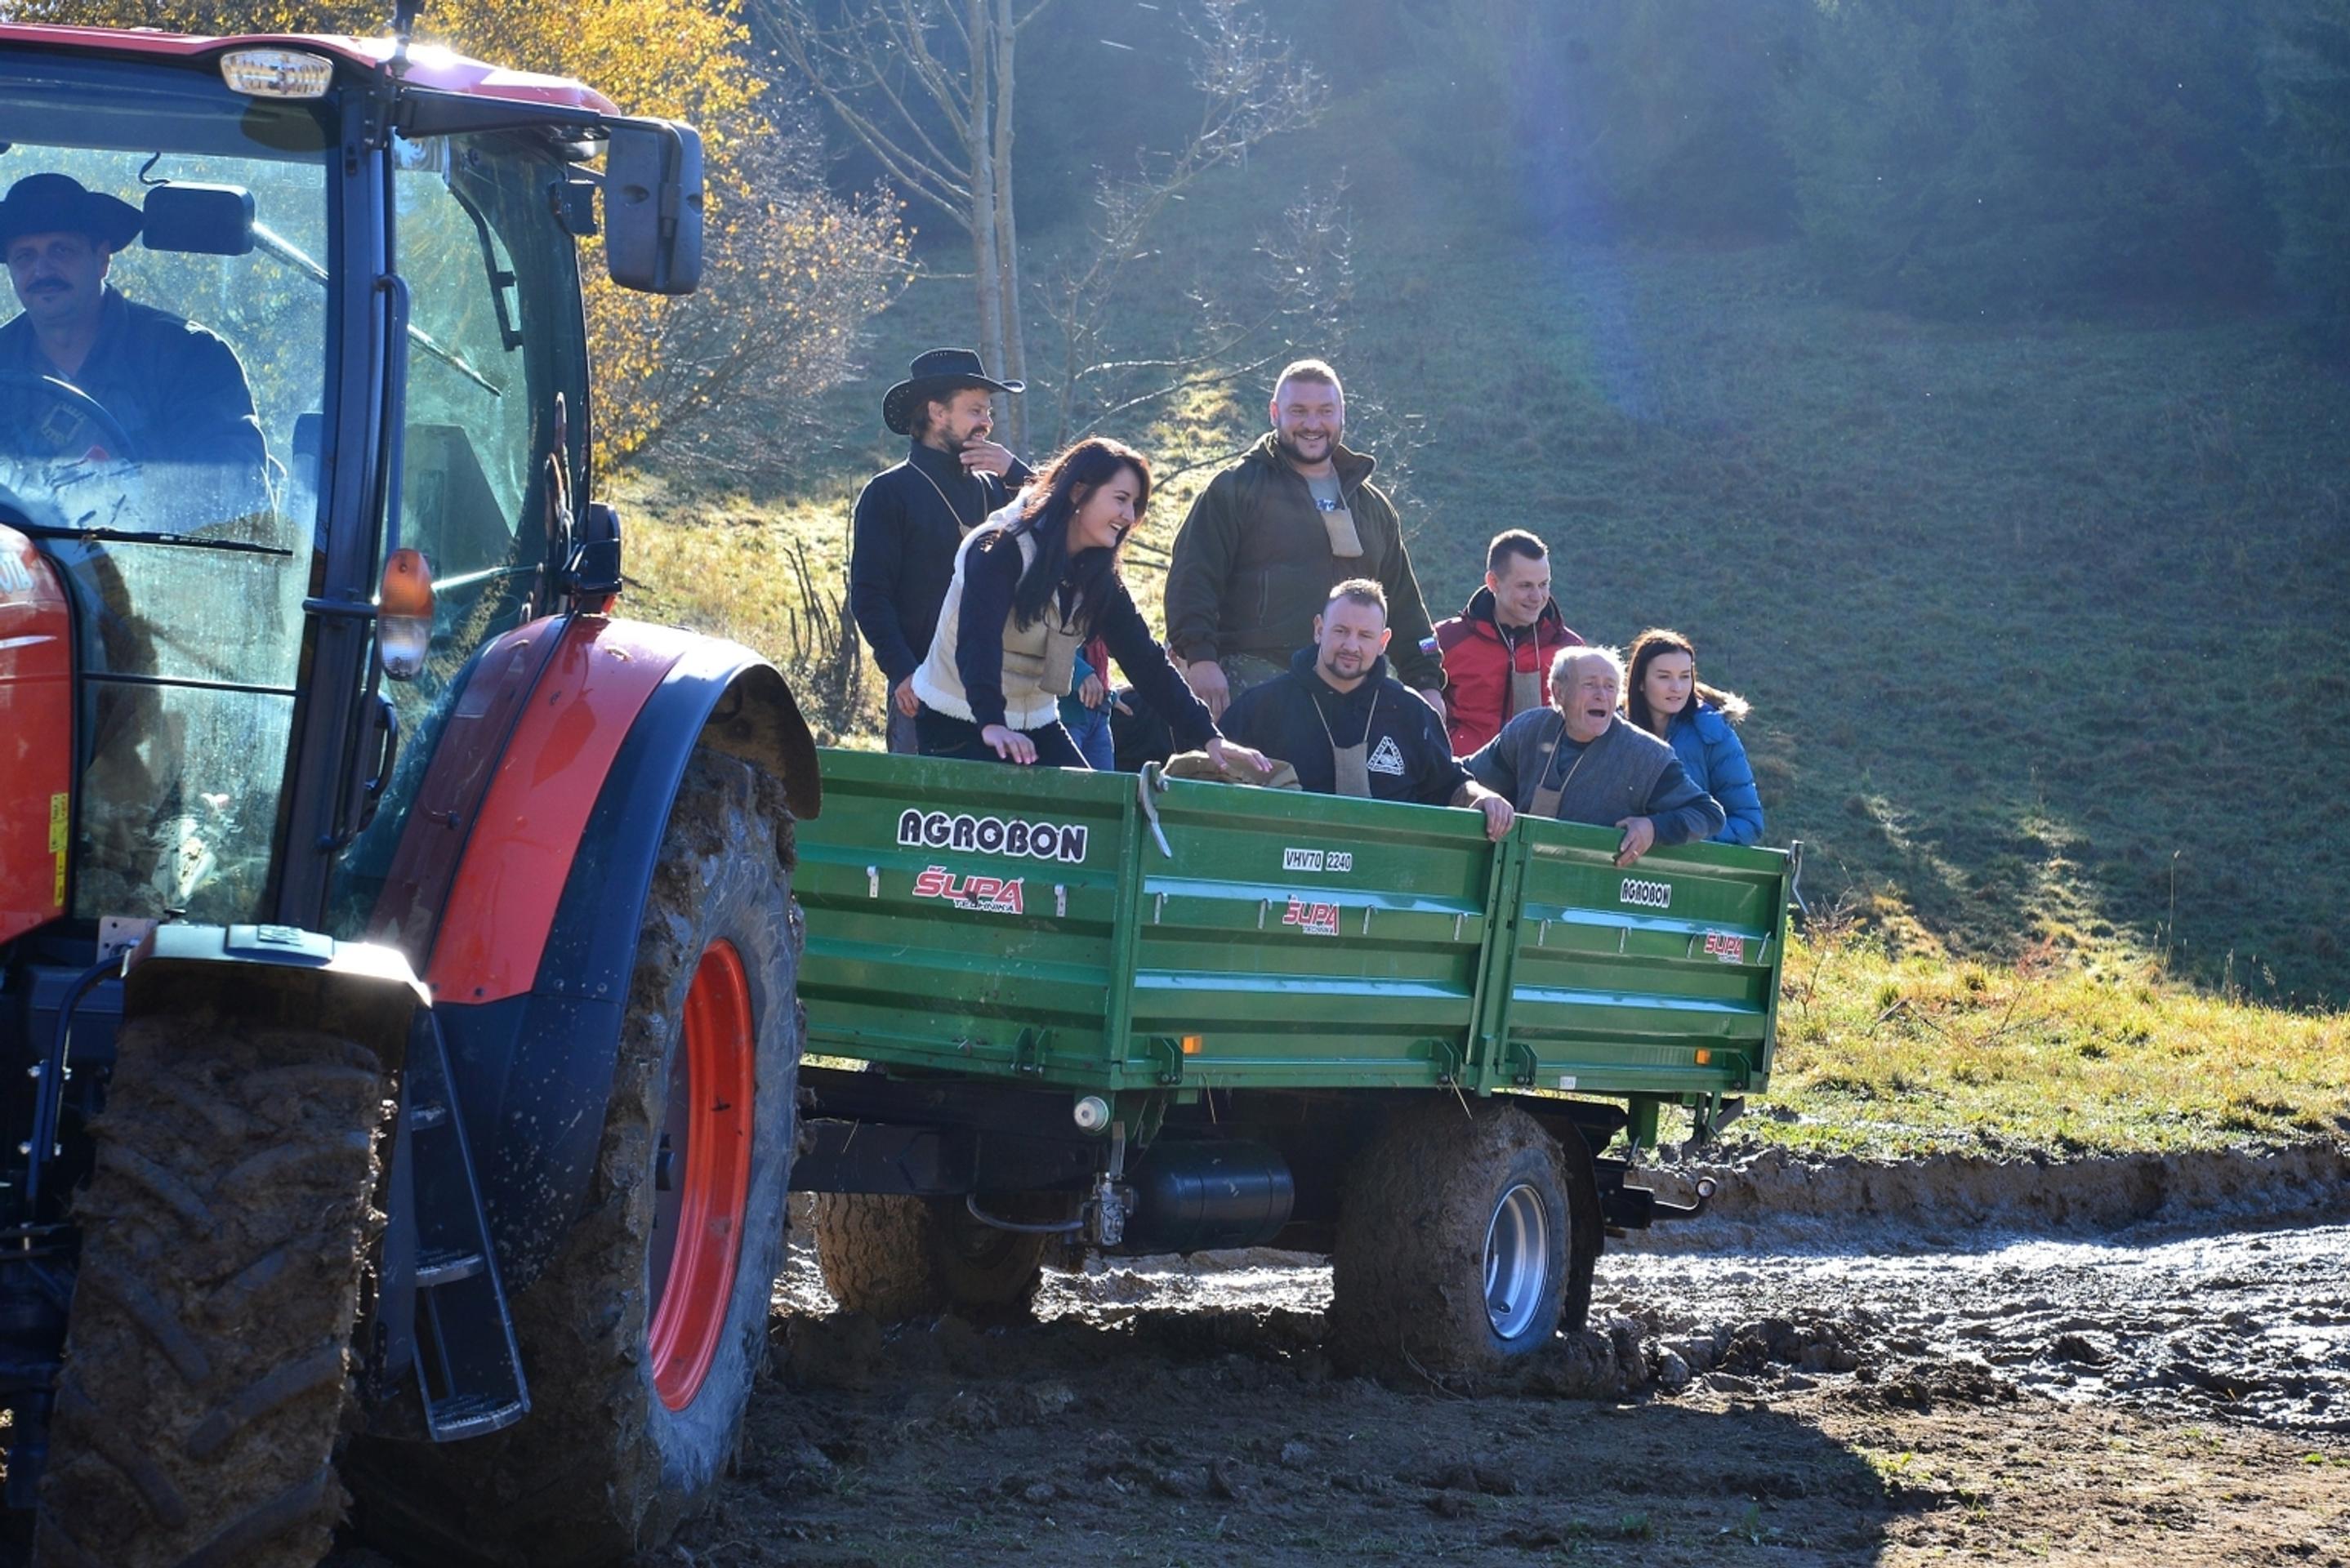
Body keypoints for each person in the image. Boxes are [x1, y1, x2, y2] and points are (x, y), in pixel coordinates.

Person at [911, 434, 1269, 778]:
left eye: (1135, 505)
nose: (1130, 516)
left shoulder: (1097, 575)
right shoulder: (1000, 548)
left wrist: (1210, 737)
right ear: (1079, 492)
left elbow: (1145, 660)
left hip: (1034, 721)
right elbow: (977, 640)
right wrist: (991, 722)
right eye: (1121, 499)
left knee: (1087, 816)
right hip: (957, 718)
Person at [1162, 358, 1444, 721]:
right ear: (1275, 412)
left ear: (1343, 414)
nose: (1313, 424)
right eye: (1299, 411)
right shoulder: (1235, 489)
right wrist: (1200, 659)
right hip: (1253, 679)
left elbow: (1404, 604)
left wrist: (1426, 682)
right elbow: (1192, 577)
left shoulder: (1373, 507)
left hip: (1352, 687)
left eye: (1325, 411)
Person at [0, 172, 264, 474]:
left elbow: (231, 494)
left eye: (61, 250)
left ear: (102, 260)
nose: (42, 270)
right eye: (24, 256)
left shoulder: (190, 357)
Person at [1221, 580, 1513, 840]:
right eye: (1341, 631)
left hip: (1385, 881)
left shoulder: (1413, 713)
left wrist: (1484, 797)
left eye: (1364, 635)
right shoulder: (1261, 707)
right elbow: (1215, 777)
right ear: (1319, 630)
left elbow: (1452, 785)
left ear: (1383, 641)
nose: (1351, 645)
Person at [849, 348, 1032, 754]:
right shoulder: (889, 493)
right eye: (975, 411)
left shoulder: (997, 486)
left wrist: (1016, 471)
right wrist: (902, 672)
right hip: (924, 690)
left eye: (989, 413)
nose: (987, 423)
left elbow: (1064, 524)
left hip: (1000, 694)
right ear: (936, 412)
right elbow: (869, 596)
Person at [1464, 646, 1723, 866]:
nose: (1602, 695)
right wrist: (1485, 796)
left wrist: (1653, 828)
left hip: (1593, 890)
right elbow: (1466, 776)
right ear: (1559, 692)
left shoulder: (1647, 757)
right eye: (1590, 685)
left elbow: (1708, 814)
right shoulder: (1529, 730)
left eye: (1610, 687)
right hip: (1515, 876)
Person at [1432, 528, 1581, 755]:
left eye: (1544, 584)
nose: (1538, 597)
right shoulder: (1445, 640)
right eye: (1525, 586)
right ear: (1493, 582)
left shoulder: (1572, 651)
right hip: (1458, 778)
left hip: (1538, 780)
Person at [1625, 627, 1764, 846]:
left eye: (1684, 676)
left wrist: (1672, 832)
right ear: (1640, 681)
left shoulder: (1714, 734)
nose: (1677, 687)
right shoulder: (1613, 731)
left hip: (1690, 873)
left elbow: (1748, 823)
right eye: (1664, 677)